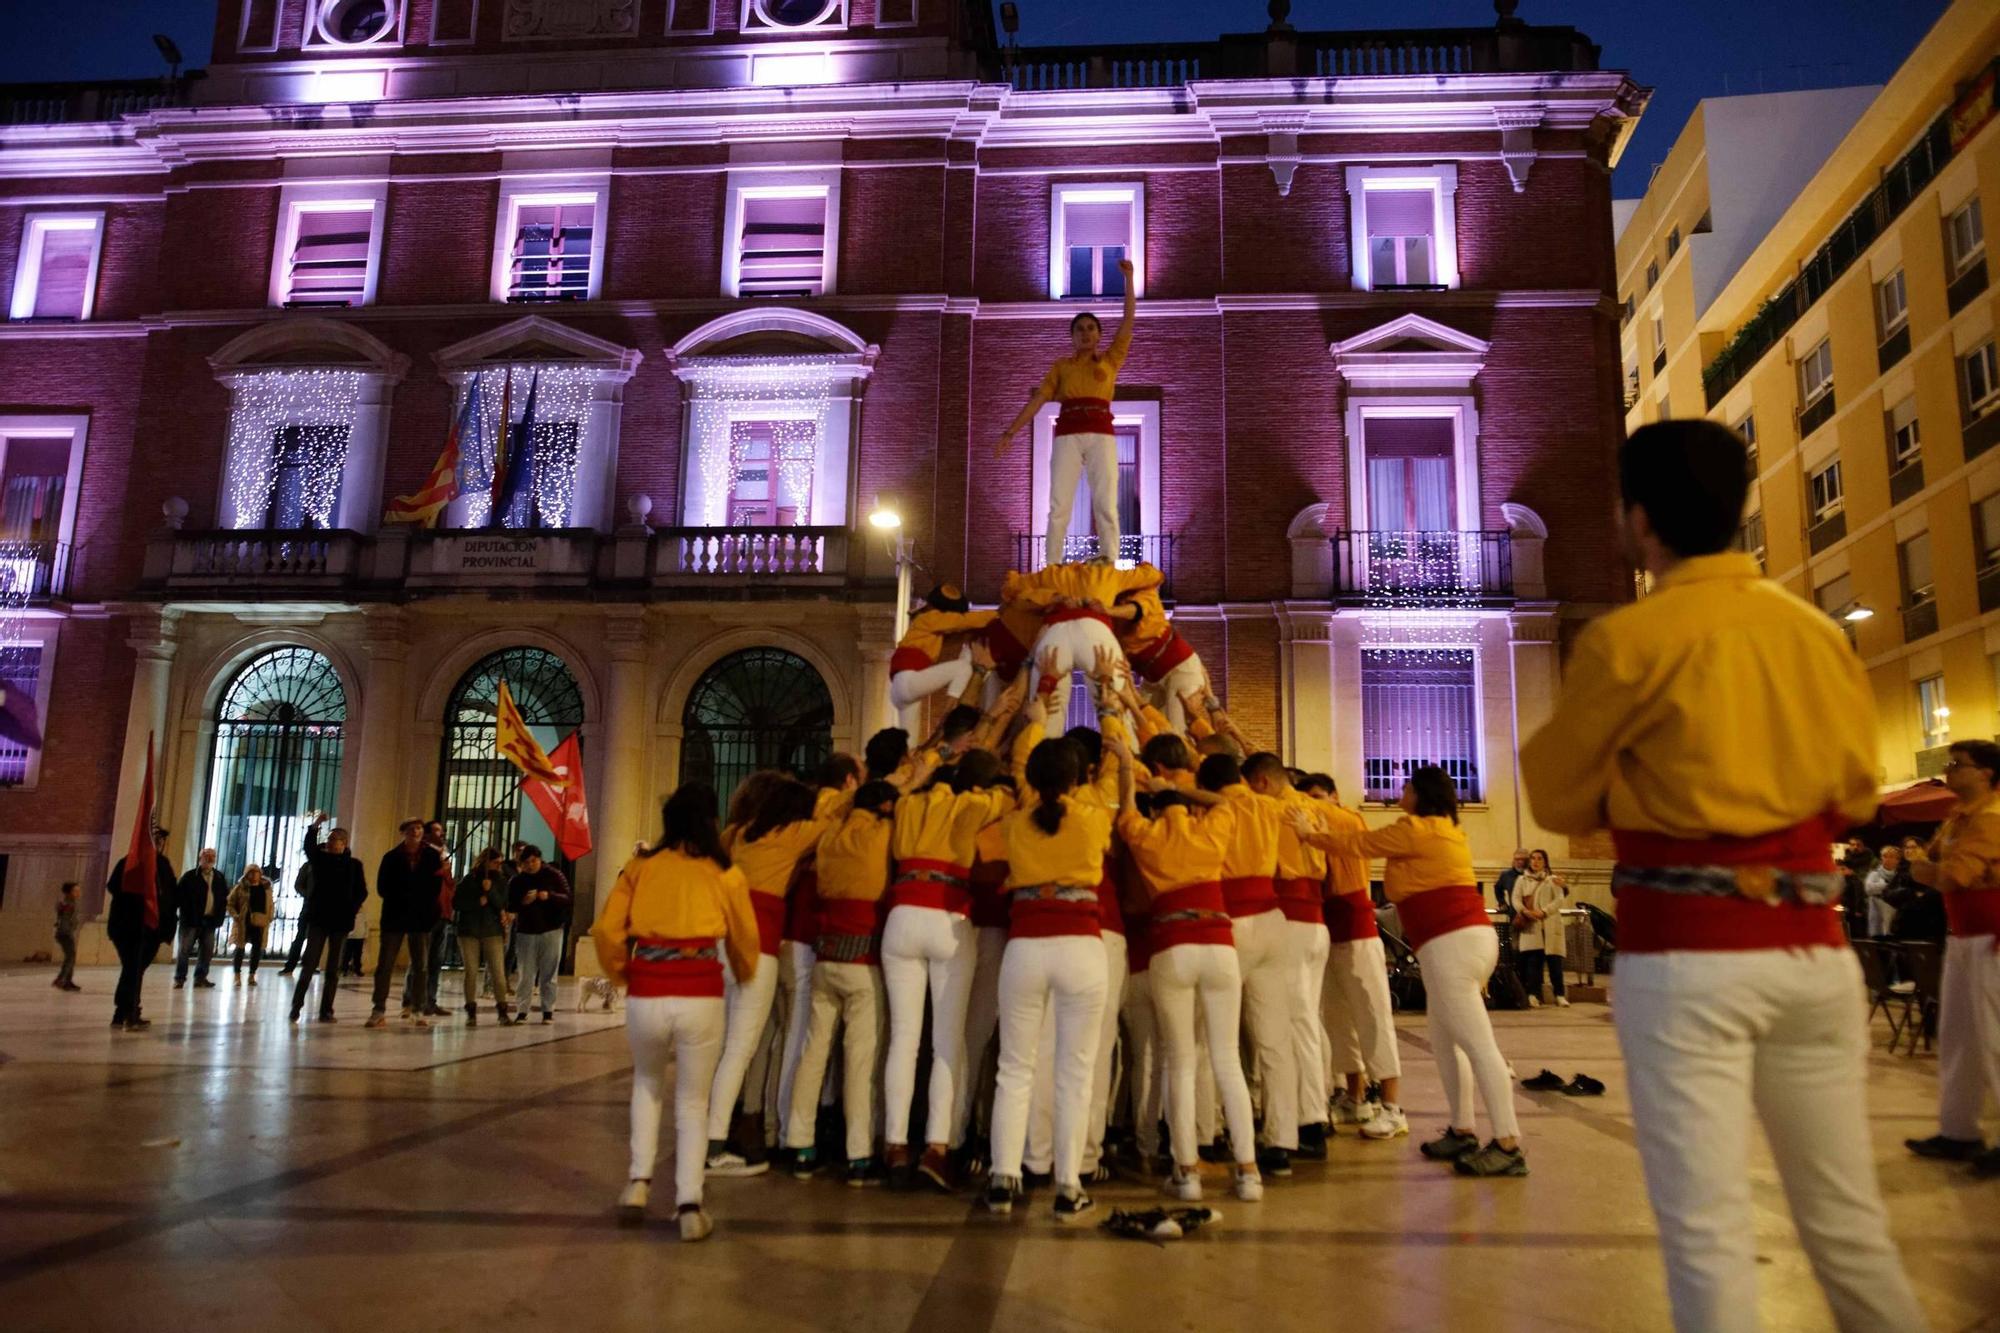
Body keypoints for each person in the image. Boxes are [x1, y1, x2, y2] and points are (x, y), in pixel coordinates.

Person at [1519, 419, 1922, 1331]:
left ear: (1639, 517)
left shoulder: (1631, 641)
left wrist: (1639, 781)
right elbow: (1857, 791)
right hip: (1814, 952)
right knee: (1850, 1224)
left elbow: (1555, 795)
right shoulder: (1814, 632)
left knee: (1707, 1230)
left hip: (1687, 956)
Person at [1297, 767, 1525, 1178]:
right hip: (1456, 942)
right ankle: (1462, 1129)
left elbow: (1359, 843)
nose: (1400, 791)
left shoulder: (1417, 829)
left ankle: (1508, 1143)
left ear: (1420, 794)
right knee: (1445, 1042)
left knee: (1478, 1045)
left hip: (1452, 943)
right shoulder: (1440, 828)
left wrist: (1309, 832)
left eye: (1406, 787)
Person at [592, 783, 761, 1243]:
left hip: (648, 988)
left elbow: (607, 930)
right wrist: (743, 973)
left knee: (646, 1085)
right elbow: (746, 939)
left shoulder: (641, 867)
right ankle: (689, 1204)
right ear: (710, 823)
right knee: (693, 1102)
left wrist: (624, 974)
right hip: (701, 991)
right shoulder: (724, 873)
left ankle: (638, 1183)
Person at [1114, 742, 1262, 1203]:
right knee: (1226, 1061)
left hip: (1170, 948)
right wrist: (1182, 792)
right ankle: (1248, 1171)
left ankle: (1187, 1172)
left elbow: (1123, 811)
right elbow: (1226, 801)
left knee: (1178, 1062)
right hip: (1219, 946)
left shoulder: (1146, 835)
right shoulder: (1212, 829)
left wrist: (1125, 767)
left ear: (1156, 811)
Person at [985, 738, 1112, 1221]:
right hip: (1081, 945)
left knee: (1015, 1068)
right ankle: (1068, 1185)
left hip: (1025, 945)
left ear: (1031, 781)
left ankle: (1003, 1177)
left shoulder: (1015, 823)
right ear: (1078, 779)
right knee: (1074, 1073)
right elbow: (1098, 808)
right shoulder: (1092, 817)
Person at [881, 749, 1014, 1190]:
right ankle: (937, 1148)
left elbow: (894, 793)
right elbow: (1008, 799)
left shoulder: (909, 803)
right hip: (948, 916)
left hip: (901, 916)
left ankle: (896, 1144)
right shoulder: (973, 804)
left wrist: (921, 771)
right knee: (947, 1041)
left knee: (903, 1038)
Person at [707, 777, 848, 1176]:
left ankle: (708, 1134)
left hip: (723, 944)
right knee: (742, 1047)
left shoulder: (735, 834)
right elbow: (837, 814)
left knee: (722, 1046)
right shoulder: (792, 833)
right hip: (760, 946)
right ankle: (714, 1145)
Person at [785, 780, 898, 1185]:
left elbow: (832, 809)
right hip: (864, 958)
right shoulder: (884, 832)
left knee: (813, 1053)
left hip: (825, 955)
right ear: (886, 806)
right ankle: (859, 1154)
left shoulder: (830, 834)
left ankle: (799, 1144)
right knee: (860, 1059)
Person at [994, 259, 1138, 564]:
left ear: (1099, 335)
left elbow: (1127, 321)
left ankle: (1108, 559)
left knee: (1105, 501)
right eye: (1079, 329)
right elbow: (1038, 399)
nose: (1085, 333)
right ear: (1072, 337)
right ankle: (1053, 563)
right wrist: (1011, 431)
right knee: (1059, 502)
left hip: (1101, 434)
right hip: (1067, 435)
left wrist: (1129, 279)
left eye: (1090, 328)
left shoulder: (1110, 360)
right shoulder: (1061, 366)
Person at [1200, 751, 1299, 1179]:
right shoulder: (1269, 804)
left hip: (1231, 921)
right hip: (1274, 921)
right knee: (1274, 1037)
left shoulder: (1217, 810)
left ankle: (1210, 1129)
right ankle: (1280, 1140)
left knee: (1211, 1037)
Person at [1905, 739, 2000, 1179]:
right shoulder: (1957, 818)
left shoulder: (1992, 818)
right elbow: (1930, 866)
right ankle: (1959, 1130)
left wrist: (1931, 869)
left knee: (1997, 1040)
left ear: (1985, 773)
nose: (1948, 770)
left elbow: (1948, 876)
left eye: (1957, 764)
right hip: (1964, 935)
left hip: (1994, 938)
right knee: (1958, 1036)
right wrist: (1932, 869)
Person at [1243, 752, 1333, 1161]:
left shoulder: (1272, 808)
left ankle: (1310, 1120)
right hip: (1314, 921)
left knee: (1296, 1022)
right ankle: (1310, 1116)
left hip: (1293, 918)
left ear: (1261, 782)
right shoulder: (1311, 805)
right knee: (1304, 1020)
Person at [1306, 776, 1405, 1139]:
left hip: (1359, 934)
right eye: (1308, 799)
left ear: (1335, 796)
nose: (1312, 805)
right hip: (1329, 935)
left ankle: (1394, 1106)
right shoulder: (1315, 832)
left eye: (1318, 798)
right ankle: (1355, 1096)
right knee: (1339, 1022)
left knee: (1373, 1018)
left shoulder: (1348, 821)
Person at [368, 817, 448, 1028]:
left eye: (419, 828)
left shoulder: (431, 856)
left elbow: (435, 887)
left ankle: (418, 1008)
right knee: (385, 964)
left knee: (421, 966)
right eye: (411, 828)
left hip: (420, 918)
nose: (416, 831)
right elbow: (382, 888)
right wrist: (408, 893)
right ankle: (378, 1009)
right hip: (395, 916)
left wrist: (424, 903)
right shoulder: (391, 857)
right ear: (403, 832)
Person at [887, 584, 995, 733]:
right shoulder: (929, 617)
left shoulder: (928, 627)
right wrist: (997, 615)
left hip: (901, 689)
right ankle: (948, 712)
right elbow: (961, 621)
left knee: (908, 745)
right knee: (963, 667)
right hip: (908, 681)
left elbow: (956, 632)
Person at [294, 821, 368, 1023]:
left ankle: (326, 1010)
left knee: (333, 968)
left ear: (343, 843)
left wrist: (351, 909)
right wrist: (315, 827)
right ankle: (296, 1007)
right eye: (329, 839)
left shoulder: (354, 865)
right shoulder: (320, 860)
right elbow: (309, 846)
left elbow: (362, 891)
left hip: (340, 921)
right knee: (309, 964)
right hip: (318, 918)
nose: (330, 842)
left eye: (334, 839)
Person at [107, 827, 177, 1031]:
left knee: (134, 970)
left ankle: (124, 1012)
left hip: (152, 929)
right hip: (128, 927)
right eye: (154, 839)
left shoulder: (163, 864)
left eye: (160, 840)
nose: (158, 843)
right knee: (132, 969)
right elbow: (114, 887)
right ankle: (126, 1012)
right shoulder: (129, 862)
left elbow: (170, 894)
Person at [508, 844, 572, 1025]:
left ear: (540, 859)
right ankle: (522, 1010)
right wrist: (524, 902)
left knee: (549, 973)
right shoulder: (518, 881)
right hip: (526, 931)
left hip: (551, 929)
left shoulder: (554, 875)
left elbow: (567, 898)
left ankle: (547, 1010)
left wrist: (549, 896)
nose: (530, 865)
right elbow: (511, 905)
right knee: (525, 973)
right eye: (526, 862)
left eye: (534, 861)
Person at [454, 847, 515, 1025]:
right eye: (495, 862)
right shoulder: (469, 879)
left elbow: (502, 903)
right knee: (471, 971)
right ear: (486, 862)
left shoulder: (502, 881)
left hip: (492, 930)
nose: (498, 866)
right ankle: (470, 1009)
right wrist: (476, 900)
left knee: (498, 972)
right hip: (469, 930)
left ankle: (502, 1010)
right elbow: (457, 902)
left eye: (500, 863)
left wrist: (489, 891)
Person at [403, 820, 455, 1018]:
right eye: (434, 830)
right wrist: (438, 870)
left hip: (442, 913)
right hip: (425, 914)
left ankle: (430, 1001)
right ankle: (410, 999)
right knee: (419, 961)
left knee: (435, 962)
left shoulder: (443, 854)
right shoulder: (422, 855)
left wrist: (447, 873)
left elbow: (448, 885)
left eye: (441, 831)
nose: (439, 834)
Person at [1511, 850, 1570, 1009]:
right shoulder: (1521, 880)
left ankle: (1560, 995)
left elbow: (1559, 899)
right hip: (1532, 925)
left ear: (1545, 862)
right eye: (1533, 858)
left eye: (1540, 859)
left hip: (1550, 925)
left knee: (1555, 964)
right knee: (1533, 965)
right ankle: (1533, 995)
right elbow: (1515, 899)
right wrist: (1525, 911)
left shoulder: (1552, 880)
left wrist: (1544, 912)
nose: (1536, 861)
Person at [172, 847, 225, 990]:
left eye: (212, 856)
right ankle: (180, 978)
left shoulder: (219, 877)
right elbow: (178, 897)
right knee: (184, 950)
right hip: (190, 920)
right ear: (200, 858)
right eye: (206, 856)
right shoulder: (189, 877)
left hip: (210, 921)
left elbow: (223, 899)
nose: (209, 859)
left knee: (207, 951)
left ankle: (200, 978)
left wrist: (219, 917)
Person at [226, 863, 274, 984]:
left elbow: (270, 904)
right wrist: (236, 915)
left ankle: (252, 975)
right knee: (240, 948)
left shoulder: (266, 889)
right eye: (251, 873)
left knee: (257, 950)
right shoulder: (240, 887)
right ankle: (237, 975)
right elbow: (230, 903)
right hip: (243, 922)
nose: (254, 875)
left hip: (260, 923)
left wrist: (269, 917)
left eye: (256, 873)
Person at [1862, 846, 1902, 939]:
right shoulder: (1874, 874)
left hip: (1895, 915)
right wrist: (1887, 887)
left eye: (1891, 856)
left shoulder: (1900, 875)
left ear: (1897, 860)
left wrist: (1881, 886)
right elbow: (1868, 889)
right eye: (1885, 856)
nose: (1888, 859)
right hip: (1878, 914)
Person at [52, 880, 80, 992]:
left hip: (66, 932)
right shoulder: (67, 904)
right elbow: (64, 920)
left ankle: (67, 981)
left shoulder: (70, 903)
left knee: (71, 957)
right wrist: (67, 932)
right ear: (68, 892)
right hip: (65, 933)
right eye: (75, 891)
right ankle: (61, 979)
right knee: (70, 957)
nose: (78, 893)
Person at [1493, 848, 1529, 915]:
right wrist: (1502, 903)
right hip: (1514, 914)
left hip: (1532, 912)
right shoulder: (1506, 875)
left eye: (1523, 859)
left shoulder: (1533, 875)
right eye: (1517, 859)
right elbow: (1497, 888)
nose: (1520, 862)